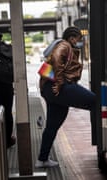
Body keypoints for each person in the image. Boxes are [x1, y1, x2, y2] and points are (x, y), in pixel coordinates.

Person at [35, 26, 96, 168]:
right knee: (95, 101)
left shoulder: (64, 45)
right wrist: (60, 83)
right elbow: (56, 59)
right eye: (78, 39)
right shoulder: (64, 45)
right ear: (72, 38)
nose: (79, 42)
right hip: (59, 87)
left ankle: (42, 159)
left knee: (52, 125)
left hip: (51, 89)